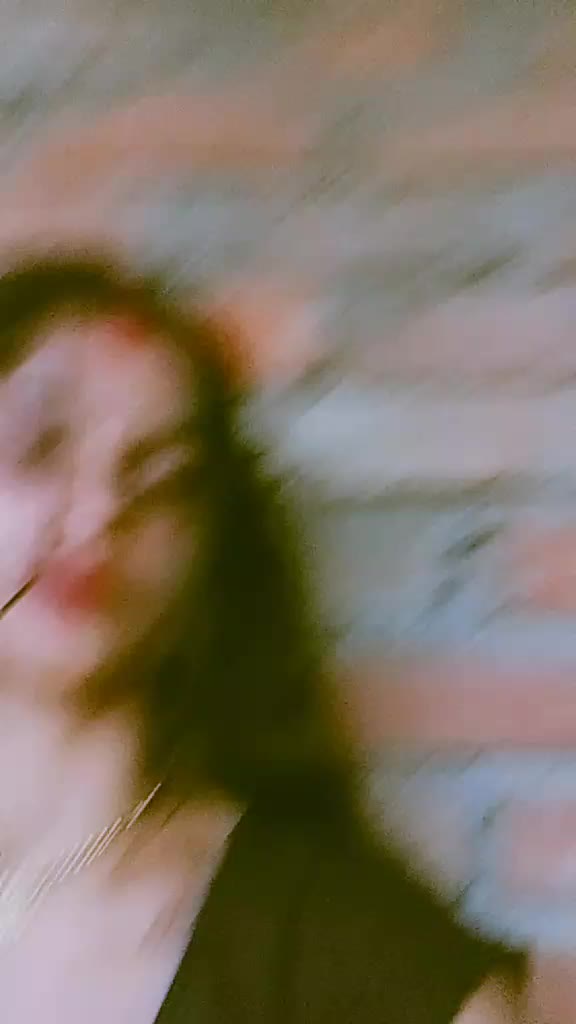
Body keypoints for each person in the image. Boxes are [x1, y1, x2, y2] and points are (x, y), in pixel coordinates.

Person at [0, 252, 523, 1023]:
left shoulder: (343, 945)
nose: (99, 511)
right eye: (40, 447)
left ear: (206, 559)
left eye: (161, 477)